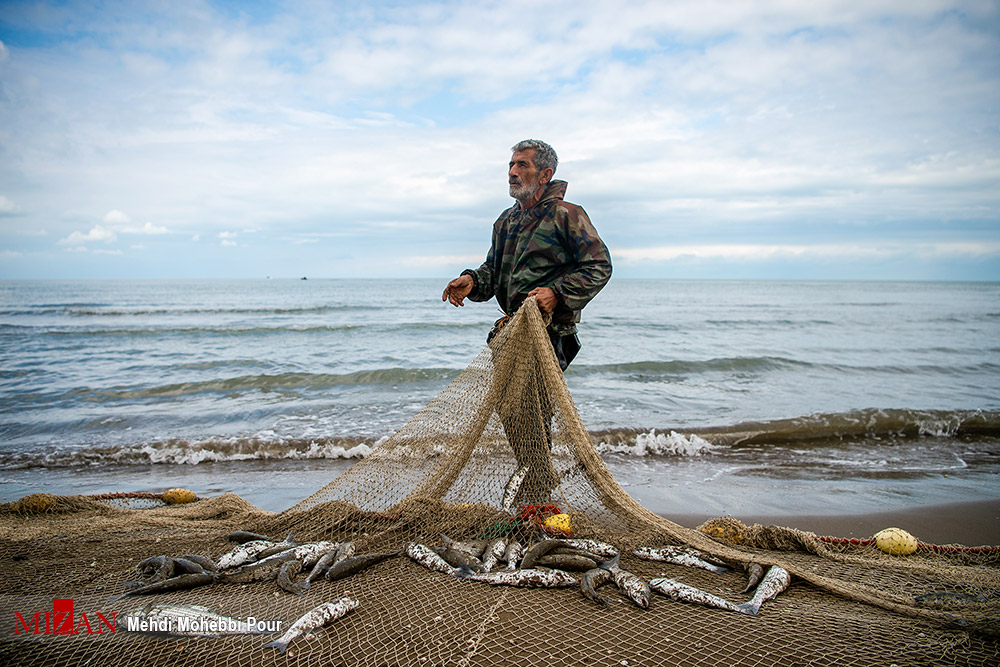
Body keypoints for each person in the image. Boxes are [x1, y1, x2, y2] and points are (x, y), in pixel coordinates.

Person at [442, 139, 612, 503]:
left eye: (522, 165)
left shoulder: (567, 214)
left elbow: (599, 266)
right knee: (514, 409)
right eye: (511, 165)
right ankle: (538, 484)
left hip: (551, 331)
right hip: (512, 330)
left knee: (530, 408)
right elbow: (493, 272)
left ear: (545, 173)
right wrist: (471, 281)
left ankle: (539, 491)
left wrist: (558, 292)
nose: (513, 172)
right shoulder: (506, 221)